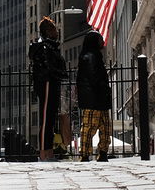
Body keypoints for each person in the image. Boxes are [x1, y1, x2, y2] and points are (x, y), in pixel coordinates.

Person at [28, 16, 67, 161]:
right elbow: (47, 68)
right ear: (48, 31)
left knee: (50, 119)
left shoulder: (50, 46)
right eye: (53, 29)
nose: (56, 31)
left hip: (52, 82)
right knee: (45, 119)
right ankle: (44, 153)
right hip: (47, 83)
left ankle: (49, 152)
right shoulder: (43, 47)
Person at [76, 30, 113, 162]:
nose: (102, 42)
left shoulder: (93, 55)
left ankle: (102, 153)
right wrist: (103, 88)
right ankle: (85, 154)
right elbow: (94, 77)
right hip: (93, 98)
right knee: (89, 127)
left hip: (99, 98)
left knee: (105, 127)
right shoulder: (90, 56)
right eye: (100, 39)